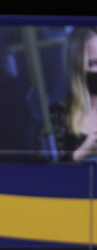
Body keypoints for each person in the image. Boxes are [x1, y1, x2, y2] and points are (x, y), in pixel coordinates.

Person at [50, 26, 97, 161]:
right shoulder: (56, 115)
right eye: (94, 63)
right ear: (78, 67)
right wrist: (81, 153)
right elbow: (44, 175)